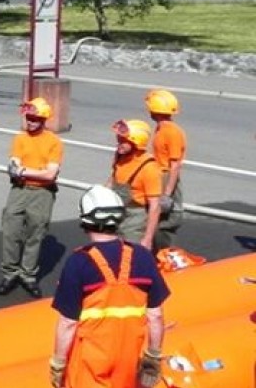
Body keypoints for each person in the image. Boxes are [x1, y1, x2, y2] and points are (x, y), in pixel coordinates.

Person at [49, 185, 169, 388]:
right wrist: (153, 355)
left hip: (89, 360)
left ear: (85, 220)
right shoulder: (142, 256)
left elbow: (68, 323)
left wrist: (58, 363)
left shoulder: (78, 262)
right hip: (128, 359)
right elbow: (155, 315)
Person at [0, 97, 62, 298]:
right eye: (28, 118)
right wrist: (34, 171)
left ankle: (28, 275)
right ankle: (10, 273)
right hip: (19, 190)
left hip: (42, 193)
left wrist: (24, 171)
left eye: (34, 118)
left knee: (36, 233)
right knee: (10, 231)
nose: (30, 122)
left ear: (43, 119)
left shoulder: (54, 142)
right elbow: (13, 166)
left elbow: (50, 174)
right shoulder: (20, 138)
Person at [107, 119, 163, 251]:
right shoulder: (120, 156)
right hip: (117, 215)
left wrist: (147, 238)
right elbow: (113, 178)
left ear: (136, 142)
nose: (119, 144)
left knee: (131, 256)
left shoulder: (149, 168)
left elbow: (155, 206)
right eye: (119, 139)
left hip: (136, 220)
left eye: (123, 141)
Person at [145, 89, 186, 249]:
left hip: (166, 177)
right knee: (154, 218)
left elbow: (175, 165)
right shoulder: (161, 129)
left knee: (166, 222)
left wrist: (167, 194)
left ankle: (164, 253)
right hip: (159, 176)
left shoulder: (172, 132)